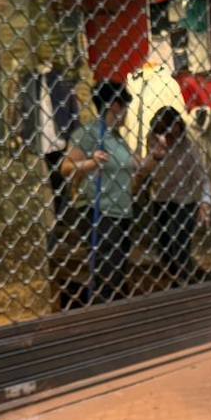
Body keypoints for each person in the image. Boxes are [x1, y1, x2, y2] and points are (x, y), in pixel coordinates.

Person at [63, 80, 145, 304]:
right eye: (125, 107)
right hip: (100, 212)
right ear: (115, 106)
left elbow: (134, 170)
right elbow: (67, 168)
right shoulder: (89, 133)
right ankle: (103, 318)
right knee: (106, 273)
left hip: (122, 214)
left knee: (118, 273)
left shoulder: (118, 139)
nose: (127, 113)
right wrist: (91, 163)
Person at [136, 107, 211, 285]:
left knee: (180, 241)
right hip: (160, 197)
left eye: (175, 133)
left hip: (184, 200)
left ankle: (184, 281)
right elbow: (147, 168)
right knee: (164, 245)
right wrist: (157, 153)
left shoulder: (189, 145)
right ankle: (171, 277)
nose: (171, 138)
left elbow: (203, 178)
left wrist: (205, 202)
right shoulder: (154, 139)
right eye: (167, 133)